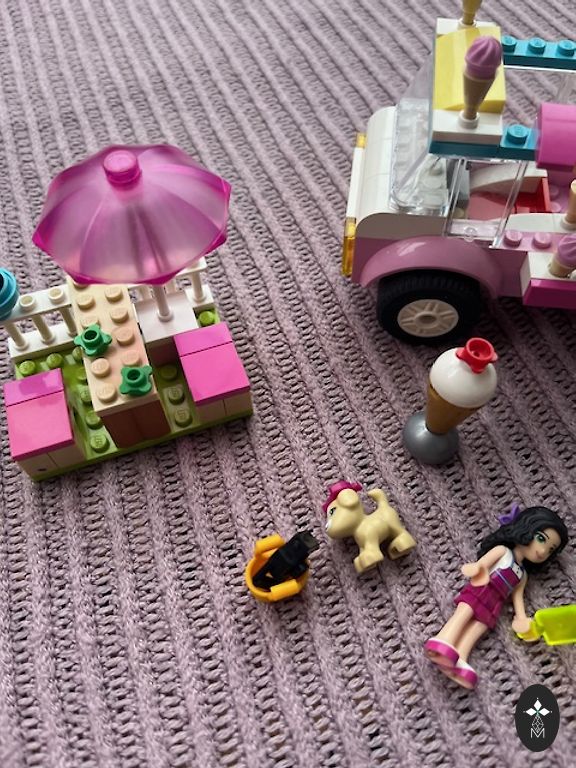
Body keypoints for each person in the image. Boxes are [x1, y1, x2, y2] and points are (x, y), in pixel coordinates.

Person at [424, 505, 569, 689]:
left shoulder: (522, 575)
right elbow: (483, 564)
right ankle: (444, 639)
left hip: (495, 603)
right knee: (463, 616)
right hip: (482, 589)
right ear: (526, 528)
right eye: (541, 539)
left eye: (550, 550)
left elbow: (517, 599)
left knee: (477, 628)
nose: (542, 551)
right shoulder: (503, 552)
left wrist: (521, 618)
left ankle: (460, 657)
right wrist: (476, 568)